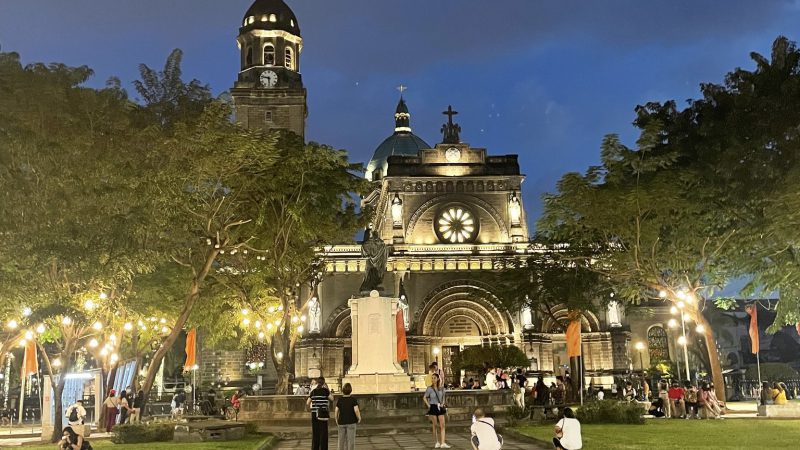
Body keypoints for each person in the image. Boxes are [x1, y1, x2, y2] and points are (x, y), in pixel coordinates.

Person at [423, 372, 449, 448]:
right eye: (432, 378)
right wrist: (429, 405)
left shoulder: (441, 388)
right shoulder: (429, 388)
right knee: (435, 425)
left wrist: (442, 403)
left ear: (438, 379)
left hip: (440, 407)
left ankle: (443, 442)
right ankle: (436, 442)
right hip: (433, 406)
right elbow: (424, 397)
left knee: (442, 425)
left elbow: (443, 398)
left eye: (434, 378)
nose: (433, 379)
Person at [307, 376, 333, 450]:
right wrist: (327, 389)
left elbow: (308, 402)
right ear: (323, 383)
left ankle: (315, 447)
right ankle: (323, 448)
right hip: (323, 413)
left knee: (315, 432)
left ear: (317, 383)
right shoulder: (325, 391)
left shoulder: (313, 391)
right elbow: (332, 398)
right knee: (323, 432)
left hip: (314, 413)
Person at [335, 383, 361, 450]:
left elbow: (336, 410)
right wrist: (359, 417)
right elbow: (356, 410)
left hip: (341, 422)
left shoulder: (340, 399)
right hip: (351, 422)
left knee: (341, 441)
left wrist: (336, 419)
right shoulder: (353, 399)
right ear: (350, 390)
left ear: (343, 390)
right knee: (350, 441)